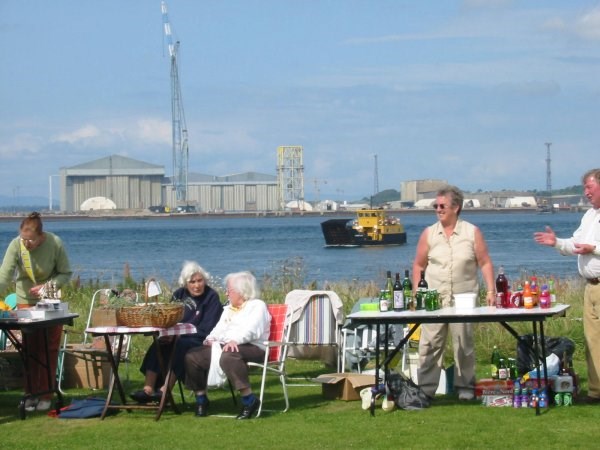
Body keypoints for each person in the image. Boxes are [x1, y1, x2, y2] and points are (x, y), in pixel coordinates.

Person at [412, 185, 495, 400]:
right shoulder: (429, 234)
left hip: (464, 299)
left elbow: (484, 263)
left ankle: (465, 387)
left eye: (442, 206)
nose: (438, 209)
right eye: (435, 206)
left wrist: (491, 290)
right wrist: (415, 293)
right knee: (430, 344)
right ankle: (425, 389)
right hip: (434, 300)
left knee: (463, 345)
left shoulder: (472, 232)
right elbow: (419, 265)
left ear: (456, 207)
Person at [534, 168, 600, 403]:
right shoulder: (590, 216)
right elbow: (575, 243)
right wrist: (556, 243)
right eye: (584, 188)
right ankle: (595, 391)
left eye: (589, 188)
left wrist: (594, 249)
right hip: (590, 287)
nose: (586, 193)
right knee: (592, 340)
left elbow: (590, 247)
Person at [0, 212, 72, 412]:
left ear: (41, 236)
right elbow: (4, 275)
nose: (27, 244)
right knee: (30, 349)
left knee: (49, 348)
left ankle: (47, 394)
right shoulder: (16, 245)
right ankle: (30, 394)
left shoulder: (55, 243)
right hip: (25, 301)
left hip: (50, 300)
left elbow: (66, 272)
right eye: (24, 239)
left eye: (30, 240)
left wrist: (47, 286)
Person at [130, 261, 223, 403]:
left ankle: (165, 390)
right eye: (192, 282)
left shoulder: (212, 297)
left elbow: (207, 328)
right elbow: (168, 319)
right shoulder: (179, 295)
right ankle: (148, 389)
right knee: (159, 343)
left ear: (205, 281)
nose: (197, 285)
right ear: (185, 283)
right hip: (176, 337)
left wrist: (179, 336)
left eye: (199, 281)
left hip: (200, 339)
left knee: (181, 346)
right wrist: (167, 335)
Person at [184, 271, 270, 419]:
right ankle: (201, 399)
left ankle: (249, 400)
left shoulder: (257, 306)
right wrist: (210, 339)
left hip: (254, 347)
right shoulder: (228, 309)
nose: (226, 293)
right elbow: (218, 329)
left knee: (229, 356)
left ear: (241, 291)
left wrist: (234, 340)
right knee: (193, 356)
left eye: (229, 290)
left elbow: (252, 331)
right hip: (225, 346)